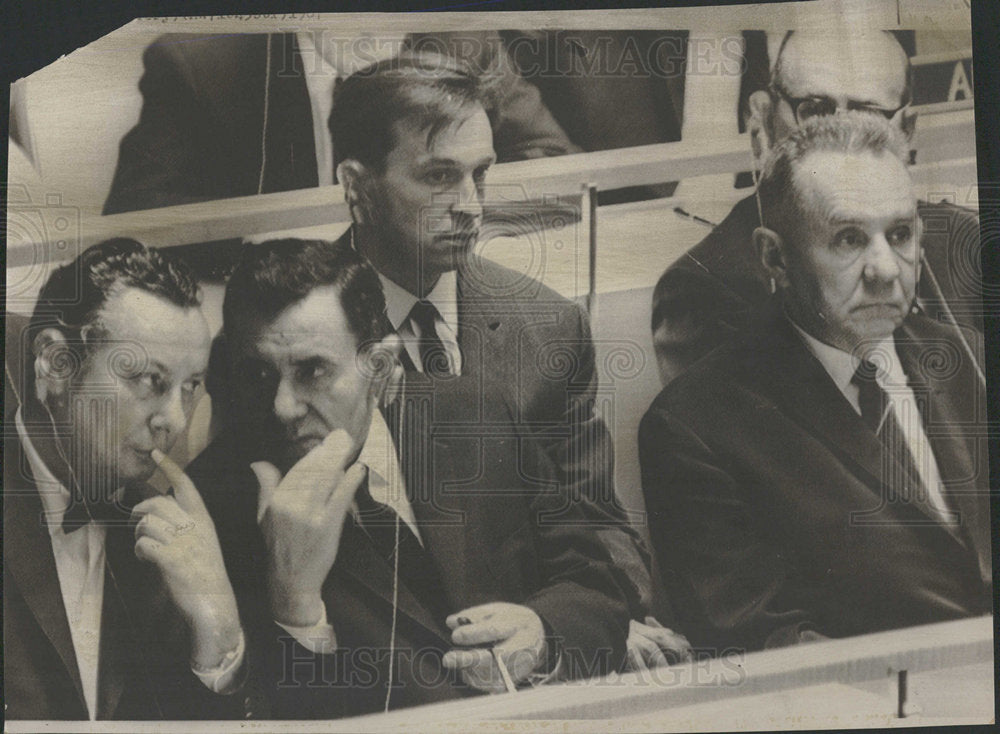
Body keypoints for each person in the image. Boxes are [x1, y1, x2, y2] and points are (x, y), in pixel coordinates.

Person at [330, 48, 689, 671]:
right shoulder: (300, 337)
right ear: (357, 186)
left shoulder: (547, 328)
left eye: (481, 175)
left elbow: (598, 528)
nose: (471, 206)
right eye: (438, 177)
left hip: (531, 656)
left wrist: (574, 625)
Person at [187, 238, 634, 717]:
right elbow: (255, 715)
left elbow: (596, 583)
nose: (282, 408)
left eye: (312, 371)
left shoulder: (476, 415)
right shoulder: (210, 509)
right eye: (257, 375)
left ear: (380, 368)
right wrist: (294, 605)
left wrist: (542, 635)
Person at [639, 113, 992, 654]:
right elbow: (762, 640)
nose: (886, 270)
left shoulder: (971, 357)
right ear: (774, 257)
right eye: (849, 239)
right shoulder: (695, 426)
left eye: (900, 234)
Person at [3, 239, 264, 719]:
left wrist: (220, 633)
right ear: (56, 363)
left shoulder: (168, 535)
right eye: (150, 381)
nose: (175, 421)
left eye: (190, 387)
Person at [651, 30, 983, 386]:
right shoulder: (705, 291)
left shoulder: (966, 240)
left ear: (908, 130)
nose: (839, 142)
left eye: (868, 117)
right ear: (764, 121)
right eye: (814, 111)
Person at [102, 31, 577, 216]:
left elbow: (559, 171)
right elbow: (140, 217)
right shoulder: (201, 63)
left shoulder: (460, 42)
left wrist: (434, 215)